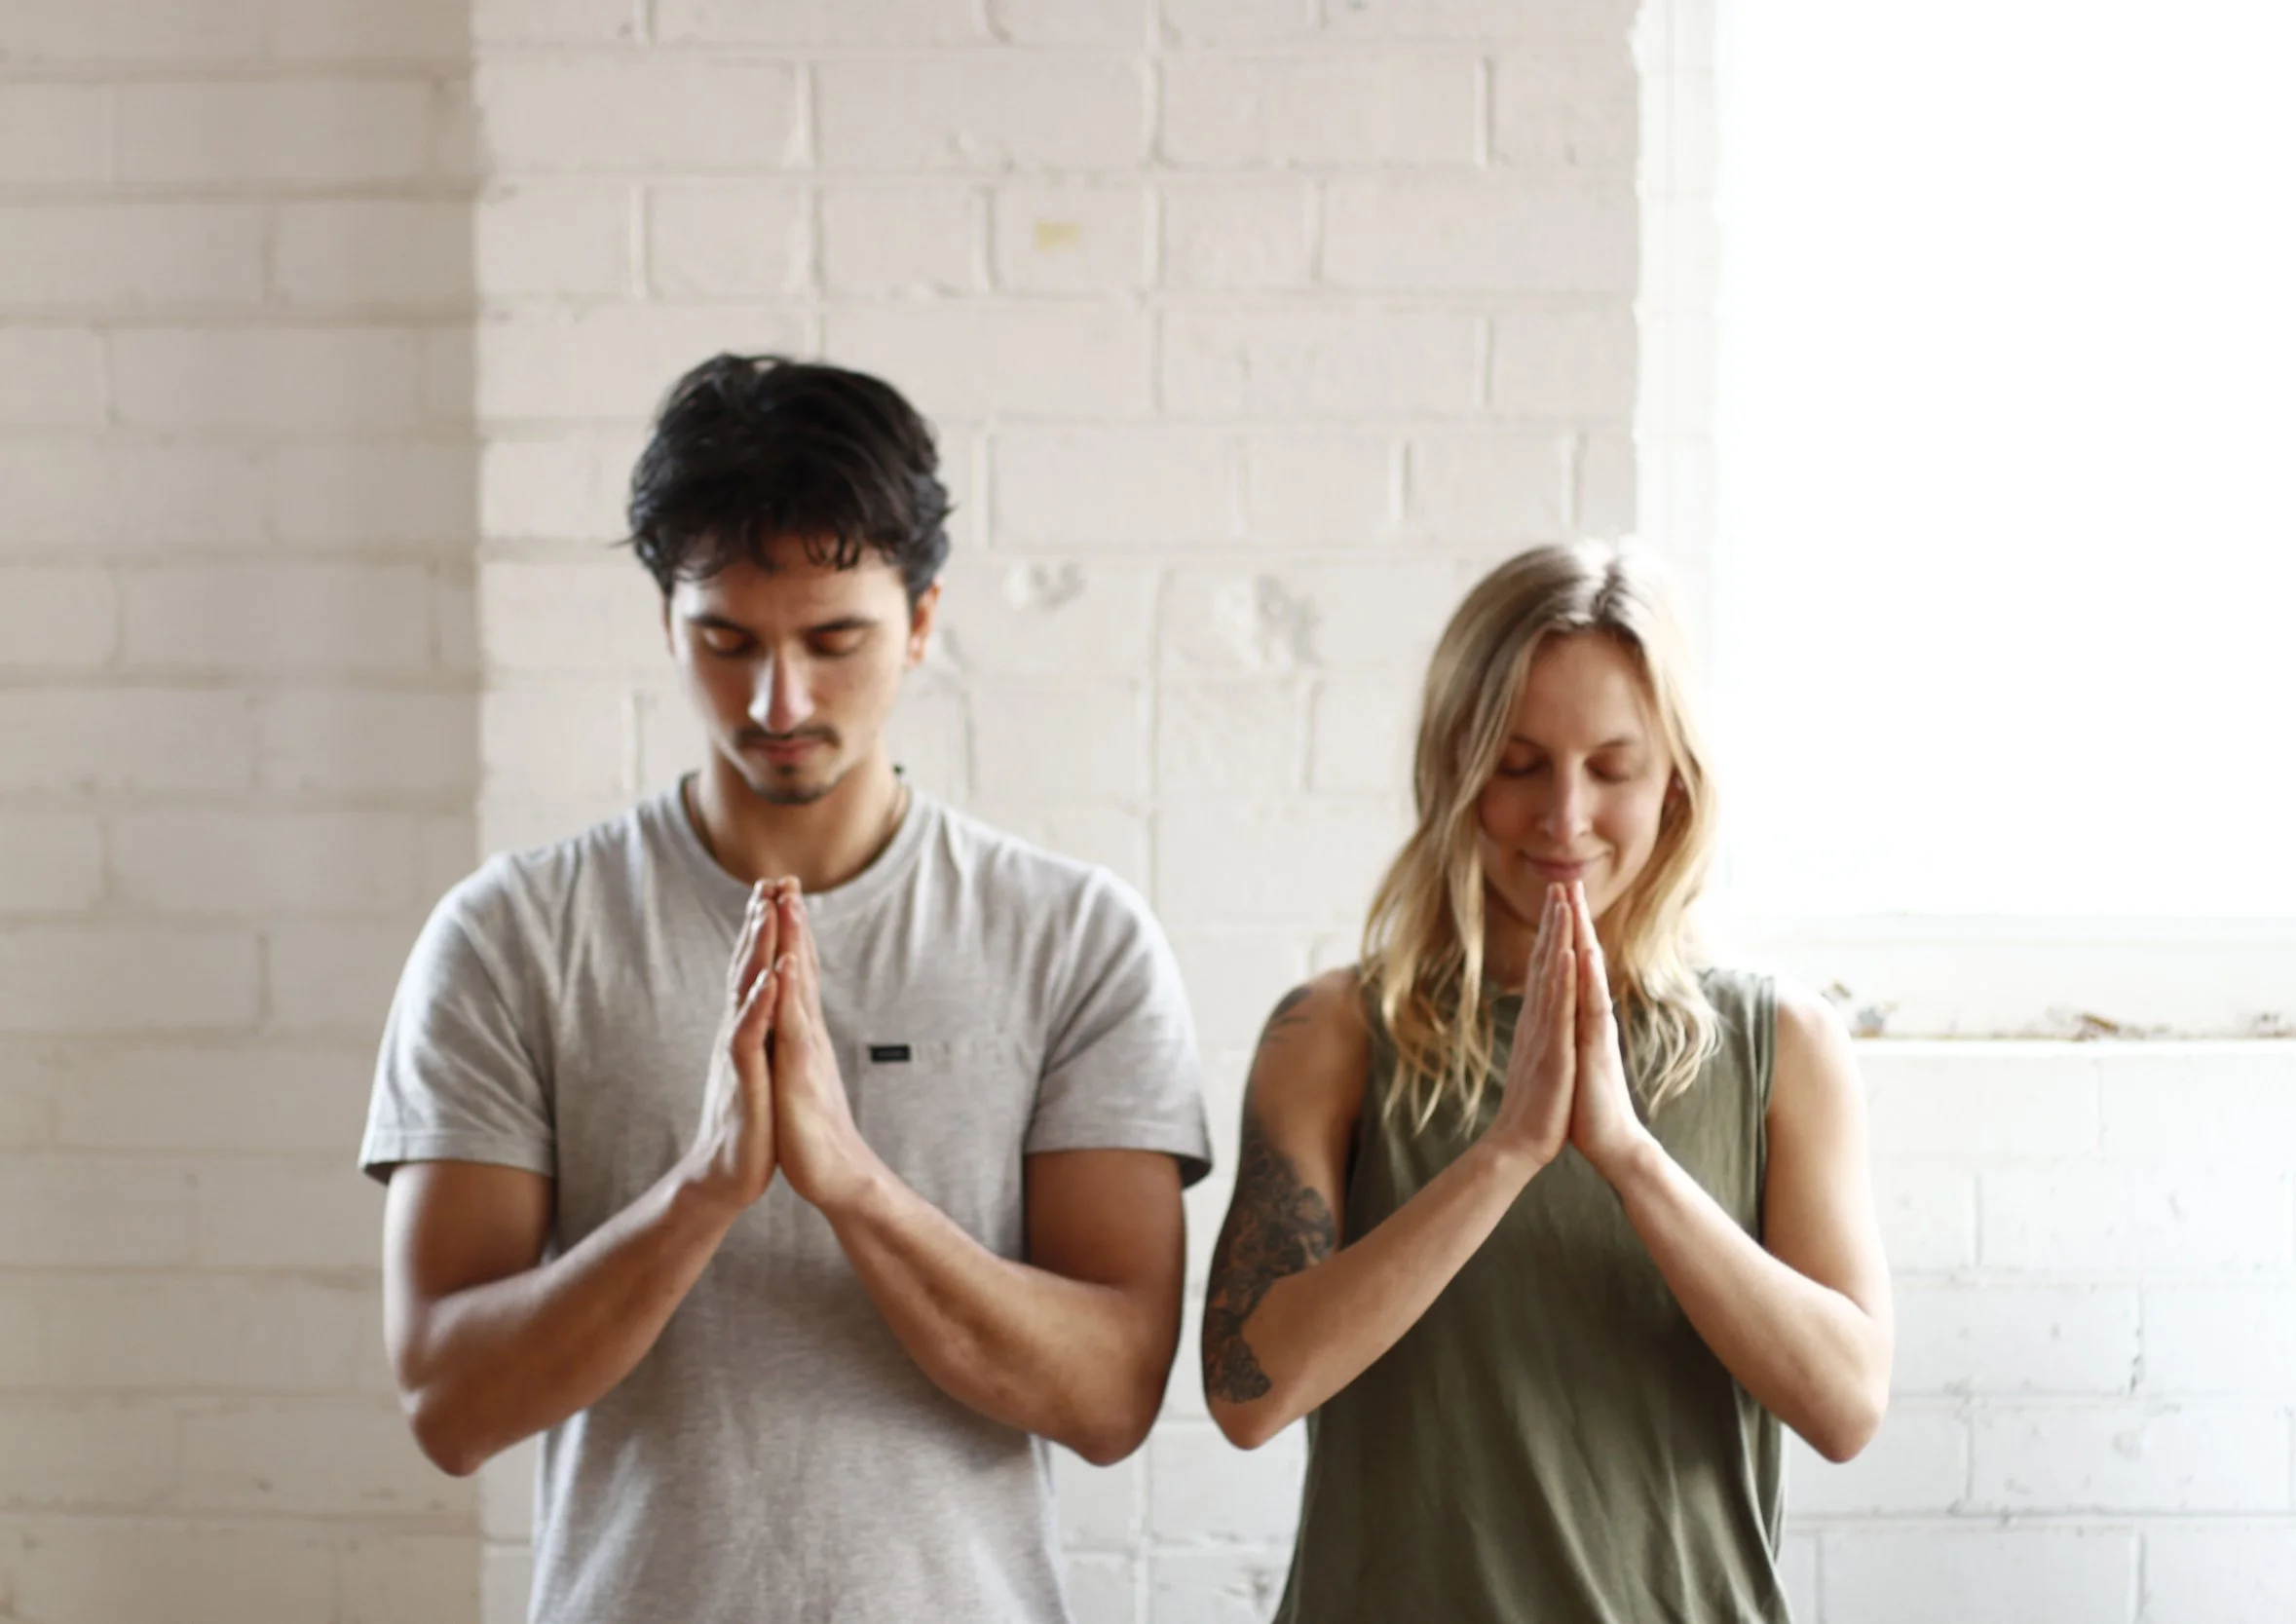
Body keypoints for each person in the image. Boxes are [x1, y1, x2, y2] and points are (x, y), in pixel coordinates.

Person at [361, 354, 1210, 1624]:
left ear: (921, 619)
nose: (778, 699)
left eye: (833, 639)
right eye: (727, 640)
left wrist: (852, 1186)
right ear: (667, 621)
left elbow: (1111, 1396)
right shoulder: (513, 933)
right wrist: (707, 1187)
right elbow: (450, 1402)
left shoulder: (1074, 936)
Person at [1201, 540, 1892, 1623]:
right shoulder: (1334, 1031)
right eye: (1519, 764)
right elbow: (1248, 1392)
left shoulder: (1782, 1043)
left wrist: (1628, 1155)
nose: (1563, 816)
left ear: (1674, 781)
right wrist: (1507, 1151)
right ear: (1457, 769)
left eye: (1611, 769)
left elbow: (1846, 1405)